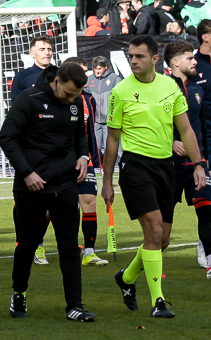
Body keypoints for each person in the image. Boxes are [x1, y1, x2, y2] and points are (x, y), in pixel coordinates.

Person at [103, 35, 207, 319]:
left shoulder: (170, 86)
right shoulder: (120, 91)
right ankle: (158, 301)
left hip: (165, 167)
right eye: (131, 56)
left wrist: (198, 164)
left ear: (155, 59)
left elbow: (186, 129)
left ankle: (126, 278)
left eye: (139, 56)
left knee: (163, 240)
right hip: (135, 167)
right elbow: (112, 139)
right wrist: (107, 181)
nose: (133, 61)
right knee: (154, 231)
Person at [0, 61, 96, 322]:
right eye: (68, 93)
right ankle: (19, 293)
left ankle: (75, 305)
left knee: (69, 246)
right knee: (28, 243)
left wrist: (83, 156)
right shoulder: (29, 99)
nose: (71, 99)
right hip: (32, 186)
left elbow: (80, 135)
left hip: (65, 185)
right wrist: (27, 173)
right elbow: (7, 137)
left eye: (76, 95)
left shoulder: (76, 102)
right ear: (56, 82)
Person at [161, 41, 211, 276]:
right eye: (190, 58)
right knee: (162, 233)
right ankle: (144, 268)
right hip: (168, 166)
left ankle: (210, 261)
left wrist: (204, 159)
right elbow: (150, 125)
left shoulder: (198, 89)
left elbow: (203, 126)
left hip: (196, 166)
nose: (194, 61)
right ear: (175, 62)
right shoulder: (161, 88)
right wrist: (170, 142)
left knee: (207, 209)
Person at [77, 61, 109, 266]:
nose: (87, 75)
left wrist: (92, 157)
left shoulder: (88, 98)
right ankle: (40, 246)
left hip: (84, 159)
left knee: (89, 202)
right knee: (52, 209)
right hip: (60, 161)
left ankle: (89, 252)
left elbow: (90, 130)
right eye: (82, 72)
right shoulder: (55, 99)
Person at [9, 35, 55, 102]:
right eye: (42, 49)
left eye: (49, 49)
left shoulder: (60, 75)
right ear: (32, 54)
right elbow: (16, 105)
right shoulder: (22, 77)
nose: (47, 53)